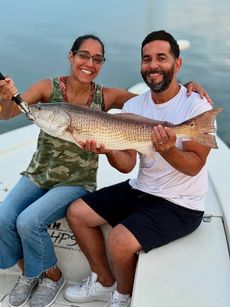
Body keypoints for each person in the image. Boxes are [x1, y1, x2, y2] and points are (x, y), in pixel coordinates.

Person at [0, 33, 209, 307]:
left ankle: (91, 287)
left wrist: (189, 90)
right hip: (57, 177)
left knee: (38, 224)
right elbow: (7, 113)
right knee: (22, 217)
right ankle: (69, 278)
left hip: (153, 196)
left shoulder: (115, 96)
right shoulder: (53, 89)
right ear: (71, 56)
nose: (89, 63)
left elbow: (160, 103)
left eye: (97, 59)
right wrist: (5, 98)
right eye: (83, 55)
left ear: (177, 63)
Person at [64, 30, 213, 307]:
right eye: (146, 59)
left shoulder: (196, 105)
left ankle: (123, 295)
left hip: (181, 203)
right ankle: (103, 282)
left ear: (176, 64)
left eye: (161, 58)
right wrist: (108, 147)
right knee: (77, 212)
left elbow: (194, 167)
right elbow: (127, 165)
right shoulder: (134, 105)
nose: (153, 65)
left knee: (119, 241)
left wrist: (168, 149)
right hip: (141, 189)